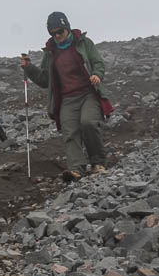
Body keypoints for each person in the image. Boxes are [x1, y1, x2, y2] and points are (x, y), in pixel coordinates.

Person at [20, 10, 109, 180]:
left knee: (88, 123)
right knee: (69, 131)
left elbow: (97, 63)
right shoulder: (50, 52)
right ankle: (76, 169)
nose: (57, 35)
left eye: (60, 31)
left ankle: (98, 162)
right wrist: (29, 68)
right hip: (67, 99)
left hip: (88, 93)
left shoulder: (83, 43)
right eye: (53, 33)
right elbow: (45, 80)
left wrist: (97, 74)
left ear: (67, 28)